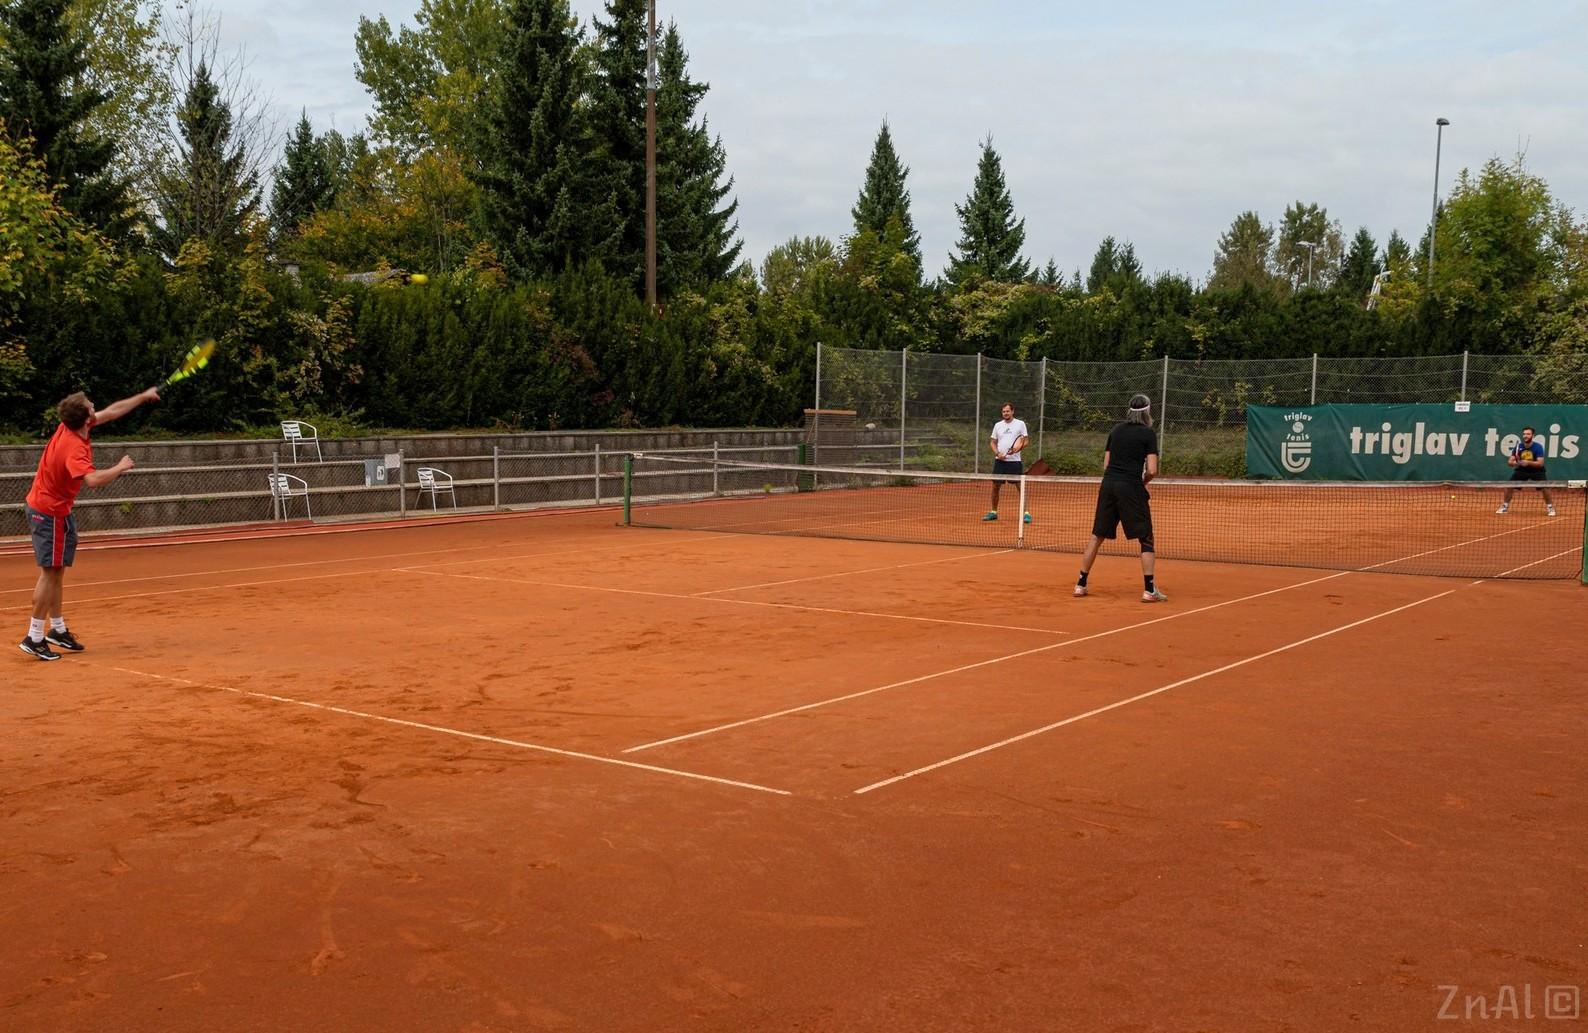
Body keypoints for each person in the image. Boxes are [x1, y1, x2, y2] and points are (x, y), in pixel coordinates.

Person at [20, 387, 160, 661]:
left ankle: (57, 629)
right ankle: (33, 637)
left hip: (55, 509)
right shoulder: (73, 447)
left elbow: (113, 411)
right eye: (90, 405)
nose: (94, 405)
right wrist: (120, 466)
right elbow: (93, 481)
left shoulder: (74, 425)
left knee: (57, 571)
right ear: (86, 418)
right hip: (49, 512)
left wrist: (143, 396)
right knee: (49, 573)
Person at [1075, 394, 1166, 603]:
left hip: (1108, 486)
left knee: (1097, 536)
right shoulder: (1148, 434)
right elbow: (1152, 469)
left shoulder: (1116, 430)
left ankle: (1080, 584)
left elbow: (1106, 465)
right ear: (1147, 411)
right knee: (1146, 538)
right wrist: (1142, 482)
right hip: (1131, 487)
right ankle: (1149, 590)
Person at [983, 402, 1032, 524]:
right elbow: (992, 442)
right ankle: (993, 512)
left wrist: (1018, 448)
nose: (1006, 413)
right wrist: (997, 453)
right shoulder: (998, 425)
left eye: (1008, 411)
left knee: (1020, 486)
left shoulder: (1020, 424)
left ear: (1012, 411)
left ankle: (1026, 513)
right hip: (1000, 462)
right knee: (995, 486)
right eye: (1004, 411)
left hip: (1014, 461)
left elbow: (1026, 441)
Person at [1495, 426, 1555, 517]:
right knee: (1509, 486)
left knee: (1545, 487)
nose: (1525, 436)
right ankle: (1505, 506)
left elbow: (1540, 463)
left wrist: (1528, 462)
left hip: (1537, 470)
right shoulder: (1518, 447)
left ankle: (1550, 507)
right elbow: (1510, 461)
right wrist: (1516, 463)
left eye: (1528, 434)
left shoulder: (1538, 447)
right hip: (1522, 470)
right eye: (1524, 434)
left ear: (1533, 436)